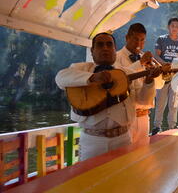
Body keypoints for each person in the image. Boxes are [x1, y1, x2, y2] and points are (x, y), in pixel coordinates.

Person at [55, 32, 160, 161]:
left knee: (122, 179)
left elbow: (144, 101)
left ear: (115, 50)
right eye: (100, 45)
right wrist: (92, 78)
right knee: (90, 179)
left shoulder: (127, 73)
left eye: (109, 45)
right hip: (92, 142)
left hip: (123, 139)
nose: (105, 48)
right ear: (92, 51)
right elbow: (60, 77)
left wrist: (149, 82)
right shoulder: (81, 69)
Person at [116, 23, 164, 144]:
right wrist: (140, 63)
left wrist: (156, 72)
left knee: (143, 157)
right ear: (127, 38)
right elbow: (121, 79)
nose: (139, 44)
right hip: (126, 119)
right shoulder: (116, 57)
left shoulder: (146, 59)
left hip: (144, 118)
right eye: (135, 39)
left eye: (142, 40)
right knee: (125, 158)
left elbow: (159, 85)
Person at [152, 17, 178, 134]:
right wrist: (164, 64)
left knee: (174, 104)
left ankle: (172, 127)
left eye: (176, 26)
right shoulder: (162, 39)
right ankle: (157, 127)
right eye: (172, 26)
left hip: (176, 76)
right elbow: (156, 56)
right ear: (168, 27)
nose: (174, 28)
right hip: (162, 75)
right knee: (160, 102)